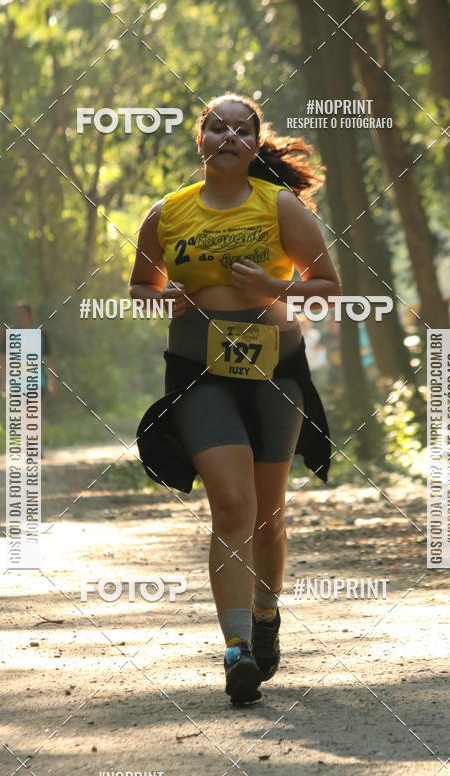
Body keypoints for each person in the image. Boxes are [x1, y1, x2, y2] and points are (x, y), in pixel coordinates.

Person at [130, 93, 341, 706]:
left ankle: (268, 616)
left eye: (240, 130)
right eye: (215, 128)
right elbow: (143, 284)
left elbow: (328, 284)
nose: (227, 137)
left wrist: (273, 284)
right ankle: (237, 649)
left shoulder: (278, 206)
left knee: (269, 514)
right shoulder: (167, 214)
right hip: (200, 371)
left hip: (275, 370)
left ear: (254, 143)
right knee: (231, 504)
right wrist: (169, 299)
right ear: (200, 141)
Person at [0, 301, 56, 450]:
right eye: (17, 314)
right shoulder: (11, 333)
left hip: (39, 380)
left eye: (22, 313)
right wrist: (4, 380)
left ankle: (37, 447)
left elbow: (49, 358)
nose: (20, 317)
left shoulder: (40, 332)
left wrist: (51, 378)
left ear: (30, 315)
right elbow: (4, 358)